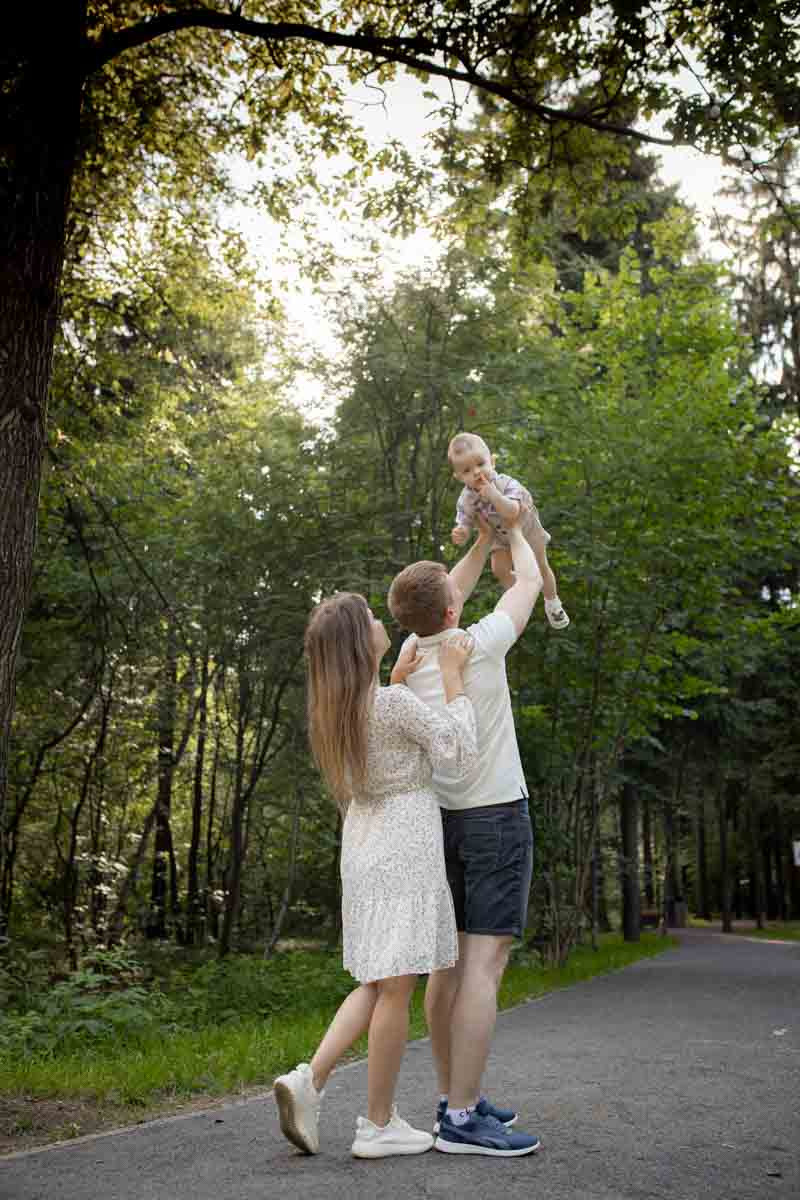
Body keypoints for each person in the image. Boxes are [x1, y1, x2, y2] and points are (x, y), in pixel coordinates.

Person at [273, 592, 478, 1160]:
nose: (378, 621)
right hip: (404, 841)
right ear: (358, 645)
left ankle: (309, 1080)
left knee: (377, 981)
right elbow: (457, 751)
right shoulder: (389, 704)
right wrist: (455, 679)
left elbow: (383, 728)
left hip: (364, 843)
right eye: (369, 620)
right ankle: (378, 1124)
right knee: (398, 985)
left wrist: (397, 680)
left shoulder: (340, 709)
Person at [387, 515, 543, 1156]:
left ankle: (457, 1098)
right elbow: (528, 580)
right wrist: (515, 526)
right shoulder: (475, 646)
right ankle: (460, 1118)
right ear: (454, 608)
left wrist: (480, 542)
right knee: (485, 964)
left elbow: (443, 594)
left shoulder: (410, 657)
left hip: (439, 823)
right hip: (495, 819)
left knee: (446, 968)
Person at [449, 430, 569, 630]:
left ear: (492, 462)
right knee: (499, 569)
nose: (477, 472)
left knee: (541, 565)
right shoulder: (466, 498)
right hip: (498, 535)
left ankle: (553, 603)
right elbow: (465, 520)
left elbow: (512, 512)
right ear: (459, 476)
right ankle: (522, 597)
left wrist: (493, 495)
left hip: (524, 528)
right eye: (467, 470)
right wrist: (461, 532)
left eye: (481, 464)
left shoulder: (506, 483)